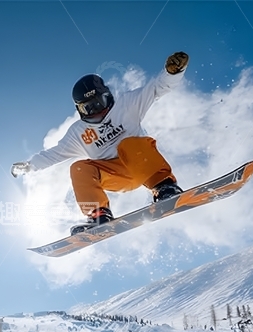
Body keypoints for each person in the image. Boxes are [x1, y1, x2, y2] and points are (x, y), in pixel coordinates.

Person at [11, 51, 190, 234]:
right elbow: (53, 154)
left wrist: (172, 73)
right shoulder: (78, 132)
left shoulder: (127, 104)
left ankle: (165, 187)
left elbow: (157, 88)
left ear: (108, 95)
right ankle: (98, 214)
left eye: (99, 102)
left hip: (143, 165)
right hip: (116, 175)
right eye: (88, 107)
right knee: (79, 168)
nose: (97, 111)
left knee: (128, 145)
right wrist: (29, 166)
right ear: (80, 110)